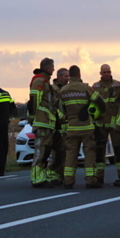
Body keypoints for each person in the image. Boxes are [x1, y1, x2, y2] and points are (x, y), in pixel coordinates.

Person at [58, 65, 106, 189]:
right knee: (89, 154)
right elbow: (100, 102)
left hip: (71, 128)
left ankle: (68, 181)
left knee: (70, 155)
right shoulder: (85, 88)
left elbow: (60, 109)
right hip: (86, 127)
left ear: (70, 75)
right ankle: (90, 180)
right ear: (79, 75)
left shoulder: (63, 90)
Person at [28, 57, 63, 188]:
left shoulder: (46, 82)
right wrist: (32, 117)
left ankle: (41, 176)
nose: (54, 69)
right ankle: (36, 178)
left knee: (46, 151)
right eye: (53, 67)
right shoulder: (39, 81)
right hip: (42, 122)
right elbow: (34, 100)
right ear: (48, 68)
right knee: (41, 151)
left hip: (48, 122)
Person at [92, 63, 120, 185]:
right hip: (101, 123)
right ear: (100, 73)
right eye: (104, 72)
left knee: (119, 150)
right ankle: (99, 177)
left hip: (115, 123)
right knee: (99, 151)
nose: (107, 74)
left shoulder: (118, 85)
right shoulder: (95, 87)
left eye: (108, 72)